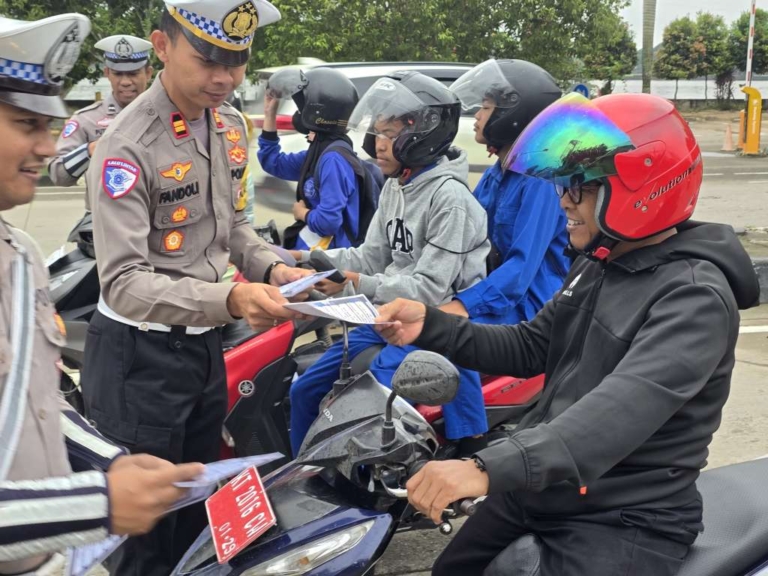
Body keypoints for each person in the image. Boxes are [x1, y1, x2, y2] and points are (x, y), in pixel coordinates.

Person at [375, 92, 760, 576]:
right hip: (547, 489)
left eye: (582, 186)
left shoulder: (693, 297)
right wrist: (430, 325)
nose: (564, 200)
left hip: (624, 516)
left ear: (644, 190)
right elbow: (530, 345)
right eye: (564, 185)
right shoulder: (601, 263)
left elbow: (615, 414)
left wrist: (485, 468)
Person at [80, 1, 311, 573]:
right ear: (161, 46)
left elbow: (232, 227)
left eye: (236, 62)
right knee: (143, 538)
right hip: (139, 361)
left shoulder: (228, 125)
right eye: (208, 60)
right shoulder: (127, 143)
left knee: (197, 514)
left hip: (206, 347)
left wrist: (272, 269)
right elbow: (124, 281)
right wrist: (230, 298)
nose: (224, 78)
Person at [0, 13, 203, 575]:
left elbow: (35, 400)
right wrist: (100, 504)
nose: (48, 146)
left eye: (49, 125)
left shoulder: (19, 254)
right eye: (26, 123)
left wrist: (110, 462)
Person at [288, 72, 490, 456]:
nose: (377, 144)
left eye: (388, 134)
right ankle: (304, 477)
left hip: (432, 321)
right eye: (377, 133)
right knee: (306, 389)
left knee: (368, 401)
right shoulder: (396, 186)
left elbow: (430, 288)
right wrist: (301, 259)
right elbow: (371, 256)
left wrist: (356, 281)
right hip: (389, 316)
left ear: (421, 136)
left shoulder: (450, 200)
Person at [442, 59, 569, 325]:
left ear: (513, 116)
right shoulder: (496, 173)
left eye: (486, 107)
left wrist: (463, 305)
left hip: (529, 308)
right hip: (490, 294)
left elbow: (521, 269)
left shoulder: (540, 178)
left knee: (423, 340)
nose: (477, 116)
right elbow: (468, 234)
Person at [257, 67, 365, 250]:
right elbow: (273, 162)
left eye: (302, 108)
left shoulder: (333, 160)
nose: (298, 115)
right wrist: (270, 115)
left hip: (326, 259)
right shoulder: (318, 153)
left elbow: (328, 222)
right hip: (312, 251)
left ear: (320, 113)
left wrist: (302, 213)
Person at [47, 34, 154, 212]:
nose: (125, 82)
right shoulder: (86, 119)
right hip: (102, 221)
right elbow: (58, 174)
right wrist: (90, 150)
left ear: (148, 73)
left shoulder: (168, 115)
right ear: (107, 73)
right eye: (118, 74)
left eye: (133, 73)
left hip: (156, 220)